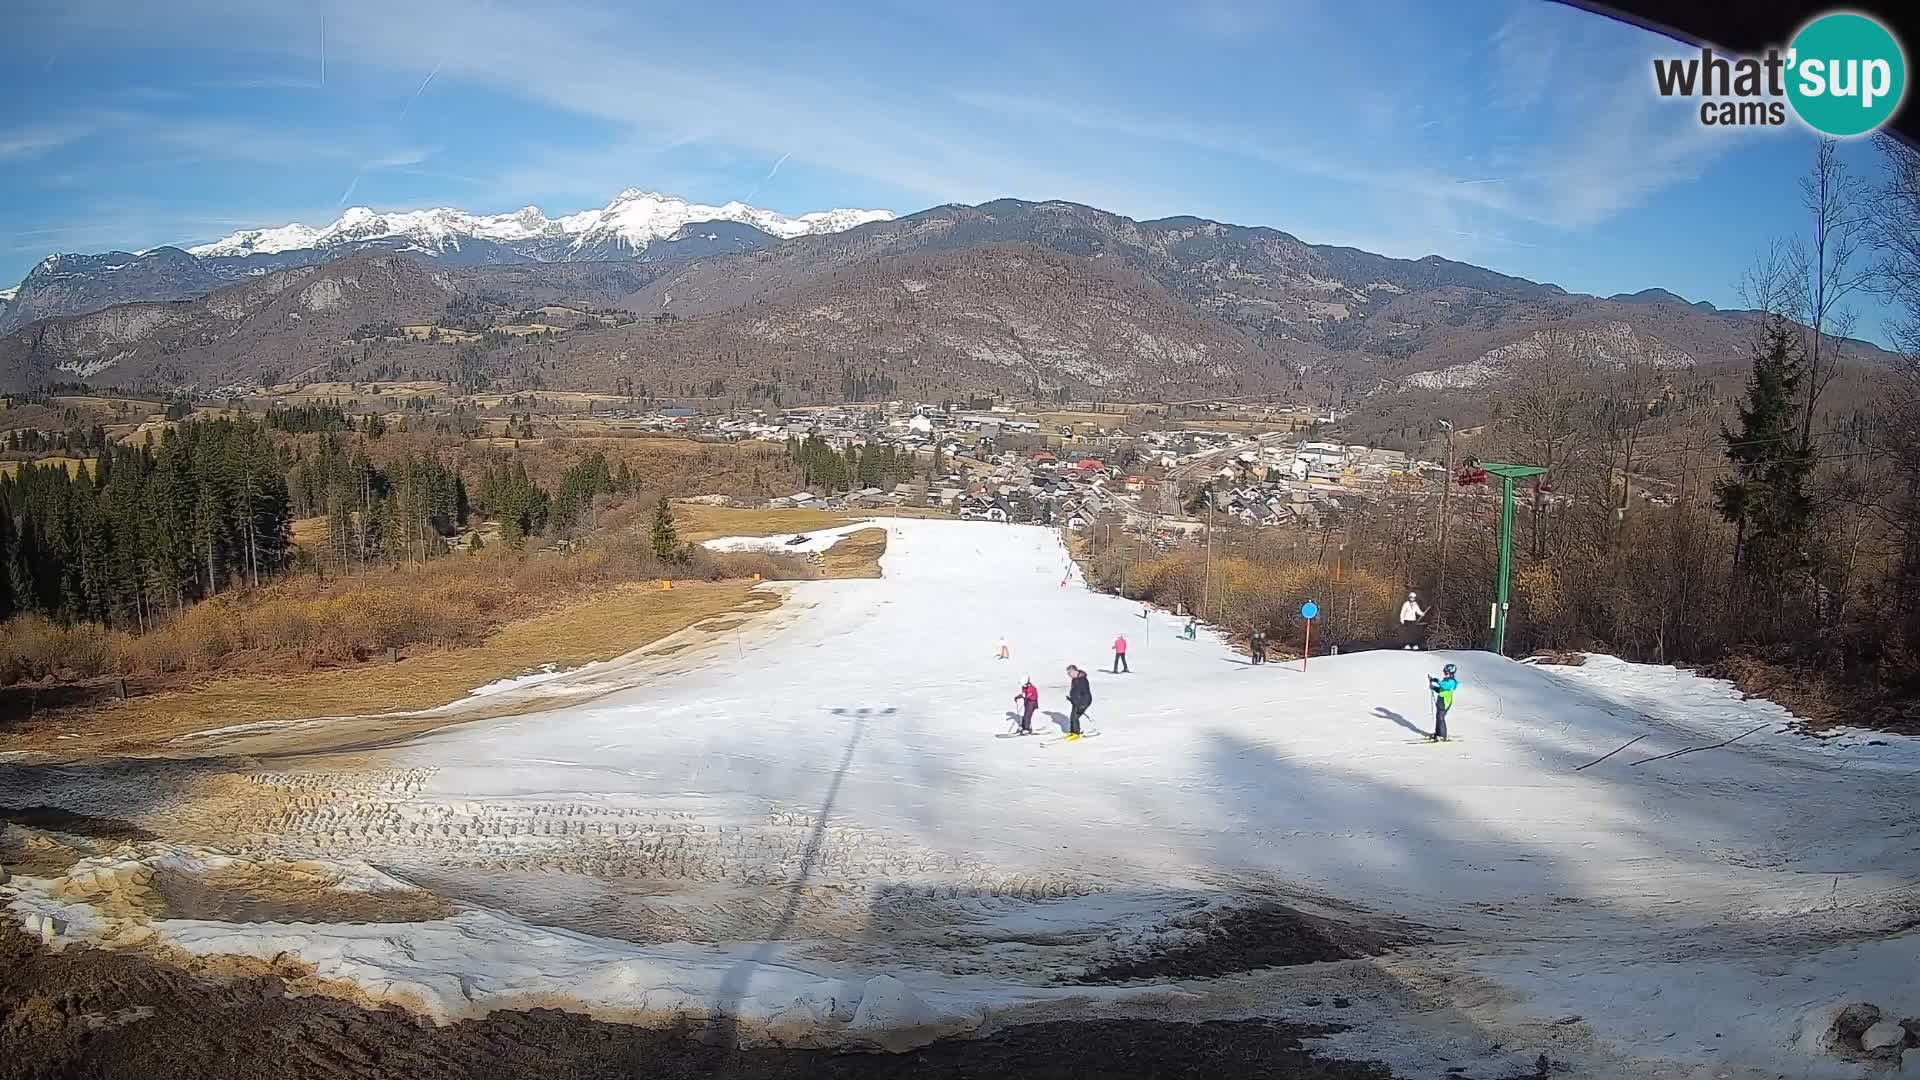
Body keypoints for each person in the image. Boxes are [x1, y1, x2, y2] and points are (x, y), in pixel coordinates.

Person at [1427, 663, 1458, 741]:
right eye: (1444, 673)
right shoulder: (1446, 680)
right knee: (1438, 717)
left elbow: (1444, 686)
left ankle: (1442, 735)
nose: (1445, 674)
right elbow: (1441, 690)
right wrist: (1434, 687)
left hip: (1445, 702)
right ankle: (1438, 733)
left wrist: (1436, 680)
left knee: (1441, 717)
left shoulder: (1451, 682)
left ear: (1451, 673)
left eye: (1446, 673)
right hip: (1440, 700)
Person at [1065, 665, 1092, 739]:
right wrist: (1071, 698)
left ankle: (1076, 733)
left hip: (1083, 702)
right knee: (1072, 717)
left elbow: (1086, 694)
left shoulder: (1083, 680)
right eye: (1068, 674)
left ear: (1074, 671)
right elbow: (1075, 691)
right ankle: (1072, 732)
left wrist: (1083, 704)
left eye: (1070, 673)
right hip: (1076, 702)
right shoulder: (1074, 679)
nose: (1069, 675)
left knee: (1075, 717)